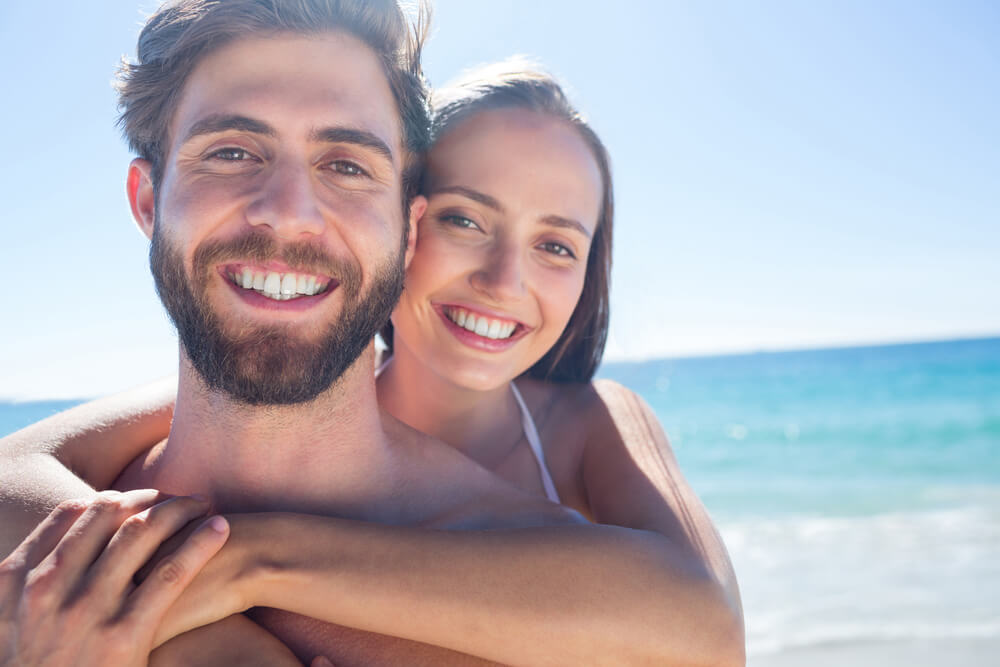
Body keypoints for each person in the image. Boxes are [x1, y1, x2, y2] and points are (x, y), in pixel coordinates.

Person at [0, 1, 744, 665]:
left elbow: (707, 632)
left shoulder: (552, 596)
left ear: (403, 228)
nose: (288, 212)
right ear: (147, 199)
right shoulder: (48, 539)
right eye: (232, 151)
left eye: (346, 164)